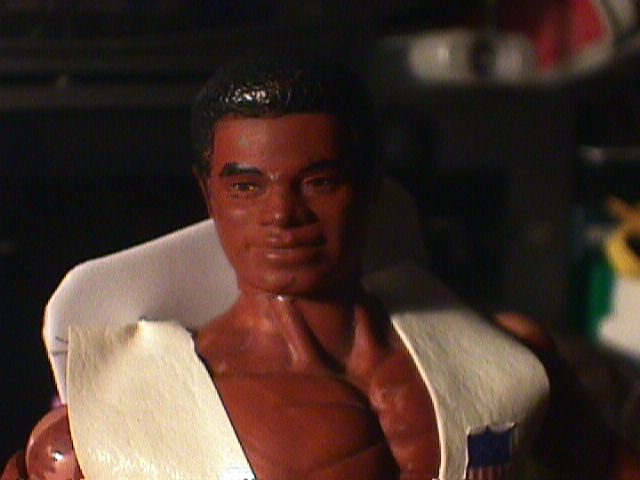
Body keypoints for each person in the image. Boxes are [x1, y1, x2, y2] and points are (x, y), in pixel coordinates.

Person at [2, 50, 638, 480]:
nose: (283, 215)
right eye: (247, 187)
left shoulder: (506, 359)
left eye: (319, 182)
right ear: (210, 196)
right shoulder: (115, 424)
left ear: (369, 184)